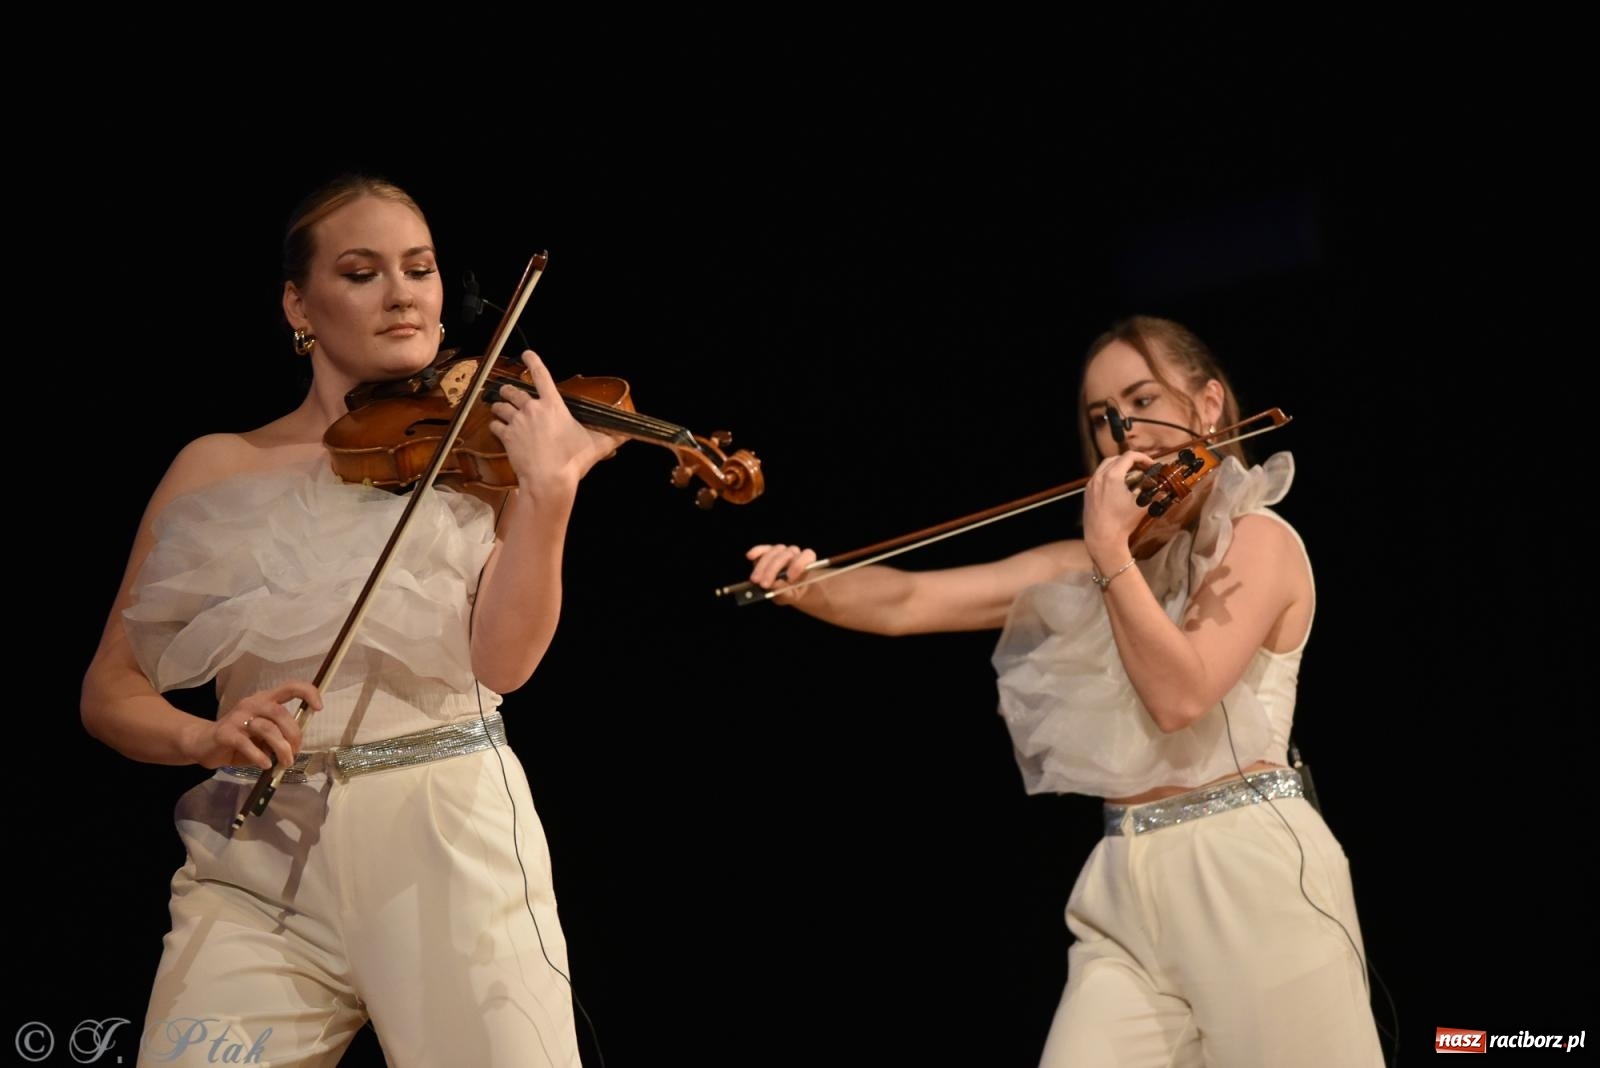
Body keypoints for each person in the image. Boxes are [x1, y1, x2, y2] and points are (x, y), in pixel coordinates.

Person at [80, 174, 621, 1067]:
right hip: (252, 858)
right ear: (300, 303)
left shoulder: (484, 453)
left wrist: (551, 493)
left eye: (421, 268)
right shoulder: (218, 466)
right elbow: (110, 690)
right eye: (363, 272)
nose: (402, 292)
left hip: (446, 837)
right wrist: (203, 737)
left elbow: (506, 663)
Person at [744, 315, 1385, 1067]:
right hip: (1123, 880)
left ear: (1208, 405)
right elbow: (910, 601)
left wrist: (1109, 548)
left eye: (1141, 400)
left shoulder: (1259, 540)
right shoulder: (1098, 566)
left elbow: (1180, 695)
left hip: (1249, 874)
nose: (1123, 432)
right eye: (1102, 419)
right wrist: (809, 585)